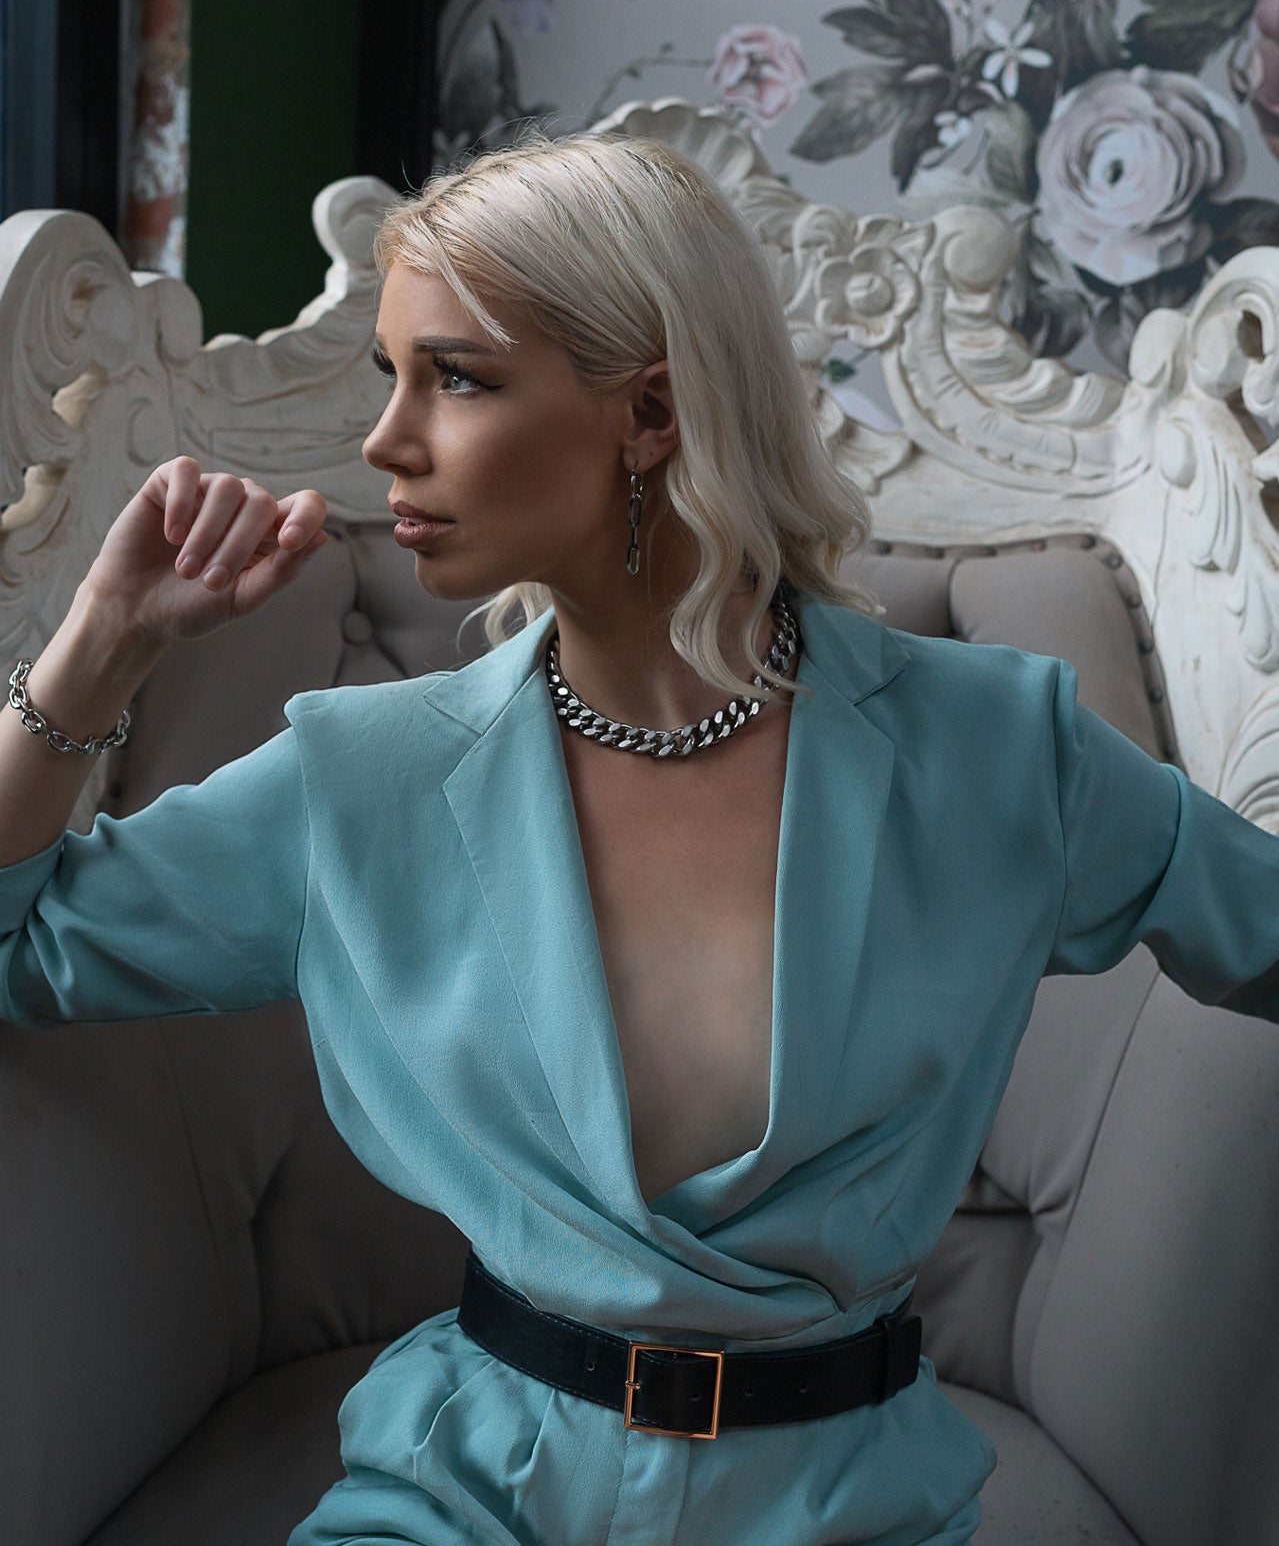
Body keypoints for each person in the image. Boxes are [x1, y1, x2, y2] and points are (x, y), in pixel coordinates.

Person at [2, 131, 1277, 1546]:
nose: (386, 440)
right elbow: (19, 944)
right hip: (461, 1501)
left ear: (653, 410)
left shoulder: (997, 750)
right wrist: (95, 657)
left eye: (458, 377)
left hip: (850, 1510)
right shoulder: (357, 780)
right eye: (392, 374)